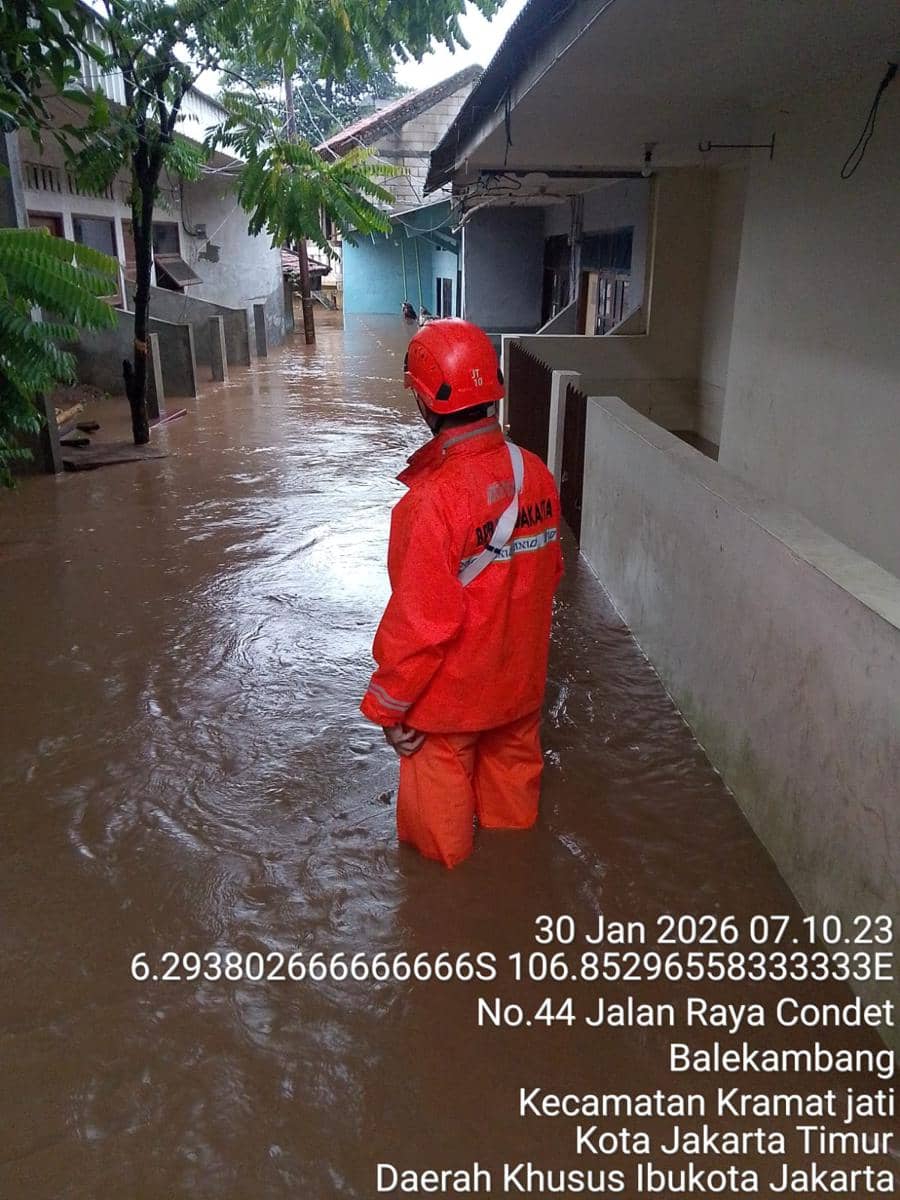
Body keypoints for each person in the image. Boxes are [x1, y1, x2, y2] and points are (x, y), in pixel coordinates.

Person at [360, 319, 563, 867]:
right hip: (518, 692)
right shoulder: (536, 475)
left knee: (441, 863)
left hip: (446, 710)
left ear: (425, 405)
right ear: (493, 389)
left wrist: (390, 709)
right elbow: (549, 577)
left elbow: (420, 623)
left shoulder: (429, 503)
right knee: (514, 841)